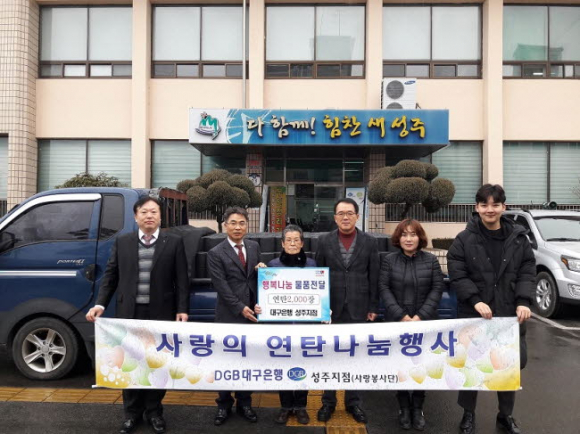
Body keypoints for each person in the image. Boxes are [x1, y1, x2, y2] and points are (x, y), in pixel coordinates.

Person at [86, 196, 189, 434]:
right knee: (130, 363)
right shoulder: (123, 242)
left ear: (160, 217)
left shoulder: (174, 242)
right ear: (136, 216)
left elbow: (182, 279)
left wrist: (182, 309)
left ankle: (154, 412)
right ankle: (131, 414)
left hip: (161, 313)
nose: (149, 216)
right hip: (129, 314)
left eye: (154, 212)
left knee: (157, 364)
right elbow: (111, 276)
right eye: (144, 212)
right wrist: (100, 304)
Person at [447, 184, 534, 434]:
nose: (490, 209)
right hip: (475, 314)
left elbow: (527, 271)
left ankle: (505, 416)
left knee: (508, 365)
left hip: (508, 314)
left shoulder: (518, 238)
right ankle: (468, 414)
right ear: (477, 208)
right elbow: (457, 272)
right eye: (484, 205)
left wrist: (523, 301)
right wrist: (475, 300)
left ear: (503, 207)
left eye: (495, 204)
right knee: (471, 365)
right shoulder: (464, 239)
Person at [314, 198, 380, 424]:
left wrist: (373, 306)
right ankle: (328, 402)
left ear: (357, 216)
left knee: (355, 356)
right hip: (331, 309)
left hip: (359, 307)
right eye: (341, 213)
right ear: (335, 217)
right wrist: (321, 308)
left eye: (350, 213)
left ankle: (353, 403)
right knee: (329, 356)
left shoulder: (370, 242)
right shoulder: (324, 241)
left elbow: (374, 276)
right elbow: (319, 274)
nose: (345, 217)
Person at [379, 219, 444, 431]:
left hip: (424, 324)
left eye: (413, 234)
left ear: (420, 238)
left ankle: (417, 408)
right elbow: (384, 288)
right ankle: (403, 407)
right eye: (404, 234)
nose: (408, 239)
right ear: (398, 238)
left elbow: (437, 289)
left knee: (420, 366)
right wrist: (401, 316)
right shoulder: (389, 260)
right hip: (397, 323)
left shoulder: (431, 260)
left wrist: (420, 316)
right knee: (400, 365)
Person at [254, 224, 316, 426]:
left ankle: (301, 406)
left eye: (296, 240)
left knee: (303, 366)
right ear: (282, 243)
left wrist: (324, 310)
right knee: (283, 366)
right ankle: (286, 406)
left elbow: (319, 295)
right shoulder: (272, 266)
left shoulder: (312, 266)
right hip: (280, 327)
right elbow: (264, 295)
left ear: (302, 243)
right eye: (288, 240)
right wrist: (260, 303)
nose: (292, 243)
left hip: (305, 327)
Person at [207, 207, 261, 426]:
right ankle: (223, 404)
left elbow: (256, 279)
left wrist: (262, 272)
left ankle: (245, 403)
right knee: (226, 361)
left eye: (242, 223)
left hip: (252, 315)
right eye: (233, 223)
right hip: (228, 315)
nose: (238, 227)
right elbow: (221, 286)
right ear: (225, 226)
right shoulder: (215, 252)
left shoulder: (254, 247)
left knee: (247, 361)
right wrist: (240, 307)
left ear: (247, 225)